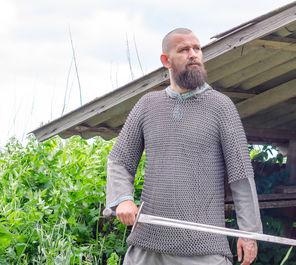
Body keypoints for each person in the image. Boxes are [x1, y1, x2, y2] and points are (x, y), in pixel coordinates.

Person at [106, 28, 262, 265]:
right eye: (184, 49)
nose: (193, 55)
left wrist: (249, 233)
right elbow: (119, 160)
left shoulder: (221, 106)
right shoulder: (148, 105)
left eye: (197, 49)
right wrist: (123, 199)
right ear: (166, 60)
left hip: (203, 247)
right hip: (148, 245)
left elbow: (241, 174)